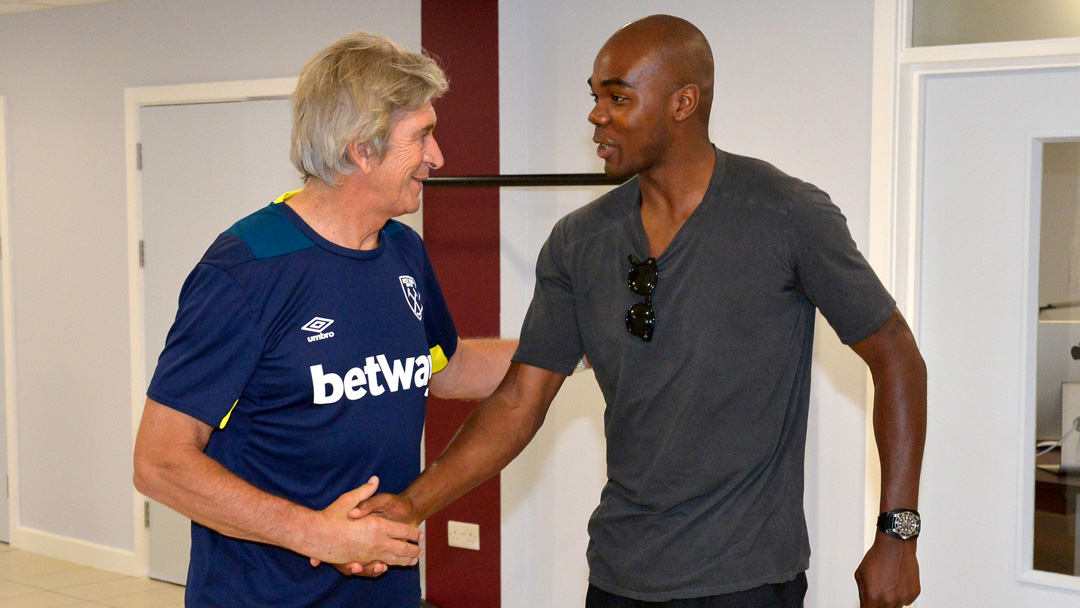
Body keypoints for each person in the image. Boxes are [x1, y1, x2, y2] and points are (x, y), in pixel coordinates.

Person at [350, 14, 927, 608]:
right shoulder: (579, 240)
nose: (597, 115)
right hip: (619, 576)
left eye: (618, 97)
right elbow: (519, 401)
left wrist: (898, 533)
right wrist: (412, 505)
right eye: (596, 97)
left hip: (746, 579)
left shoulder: (785, 214)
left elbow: (897, 356)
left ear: (683, 103)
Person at [132, 31, 515, 608]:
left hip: (387, 593)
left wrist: (579, 341)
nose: (438, 157)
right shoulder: (246, 270)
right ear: (362, 149)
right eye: (422, 137)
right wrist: (319, 534)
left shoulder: (401, 251)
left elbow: (448, 367)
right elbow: (160, 462)